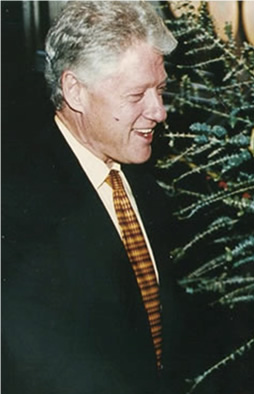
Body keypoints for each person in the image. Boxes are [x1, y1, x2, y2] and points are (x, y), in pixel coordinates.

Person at [1, 2, 187, 393]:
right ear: (75, 91)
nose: (159, 111)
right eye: (137, 94)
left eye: (161, 89)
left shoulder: (143, 179)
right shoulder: (17, 204)